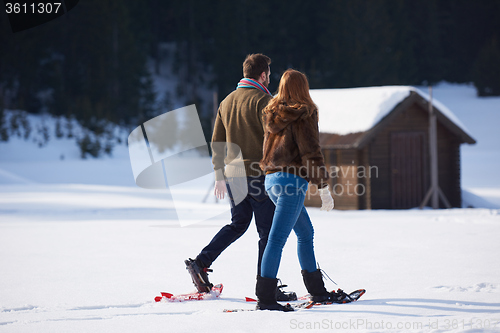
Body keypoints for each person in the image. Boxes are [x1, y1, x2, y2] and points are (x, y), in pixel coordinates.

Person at [185, 54, 296, 301]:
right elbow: (274, 138)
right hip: (259, 176)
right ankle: (266, 287)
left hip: (233, 175)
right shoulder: (263, 100)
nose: (270, 78)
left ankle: (201, 263)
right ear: (263, 75)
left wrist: (218, 175)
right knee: (267, 233)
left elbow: (217, 143)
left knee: (238, 224)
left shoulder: (226, 102)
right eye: (268, 73)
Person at [255, 69, 349, 311]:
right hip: (290, 182)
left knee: (306, 233)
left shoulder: (272, 112)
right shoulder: (304, 113)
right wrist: (323, 187)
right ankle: (265, 299)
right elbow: (311, 152)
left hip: (271, 181)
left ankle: (317, 291)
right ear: (302, 88)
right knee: (276, 240)